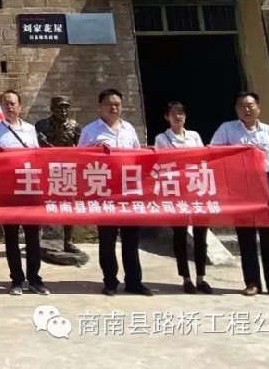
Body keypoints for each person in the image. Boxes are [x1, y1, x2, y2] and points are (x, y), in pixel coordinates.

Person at [210, 91, 269, 300]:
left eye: (250, 105)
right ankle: (252, 283)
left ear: (258, 108)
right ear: (236, 109)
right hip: (241, 188)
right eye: (241, 106)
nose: (246, 109)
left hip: (266, 186)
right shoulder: (227, 130)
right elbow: (214, 155)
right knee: (246, 238)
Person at [77, 88, 151, 296]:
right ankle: (110, 282)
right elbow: (79, 159)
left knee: (131, 240)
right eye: (109, 104)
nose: (113, 108)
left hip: (129, 192)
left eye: (117, 104)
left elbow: (138, 157)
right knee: (107, 240)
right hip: (104, 193)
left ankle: (134, 282)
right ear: (99, 107)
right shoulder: (90, 131)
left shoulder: (129, 129)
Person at [0, 90, 49, 296]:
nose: (9, 107)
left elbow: (37, 156)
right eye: (5, 104)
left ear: (20, 106)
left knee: (32, 237)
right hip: (7, 191)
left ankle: (35, 279)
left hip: (29, 189)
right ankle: (17, 280)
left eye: (13, 103)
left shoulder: (30, 129)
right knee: (11, 237)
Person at [153, 101, 213, 294]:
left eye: (181, 113)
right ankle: (186, 278)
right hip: (176, 193)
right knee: (179, 235)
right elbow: (162, 161)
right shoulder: (161, 138)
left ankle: (201, 278)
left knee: (201, 236)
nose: (177, 116)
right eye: (173, 113)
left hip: (197, 190)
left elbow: (202, 158)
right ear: (166, 117)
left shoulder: (194, 136)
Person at [34, 95, 82, 253]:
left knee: (69, 206)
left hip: (67, 170)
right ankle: (35, 239)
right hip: (46, 170)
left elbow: (83, 149)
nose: (63, 111)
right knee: (40, 204)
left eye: (66, 107)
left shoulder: (75, 126)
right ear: (52, 109)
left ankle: (68, 241)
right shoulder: (41, 125)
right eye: (60, 107)